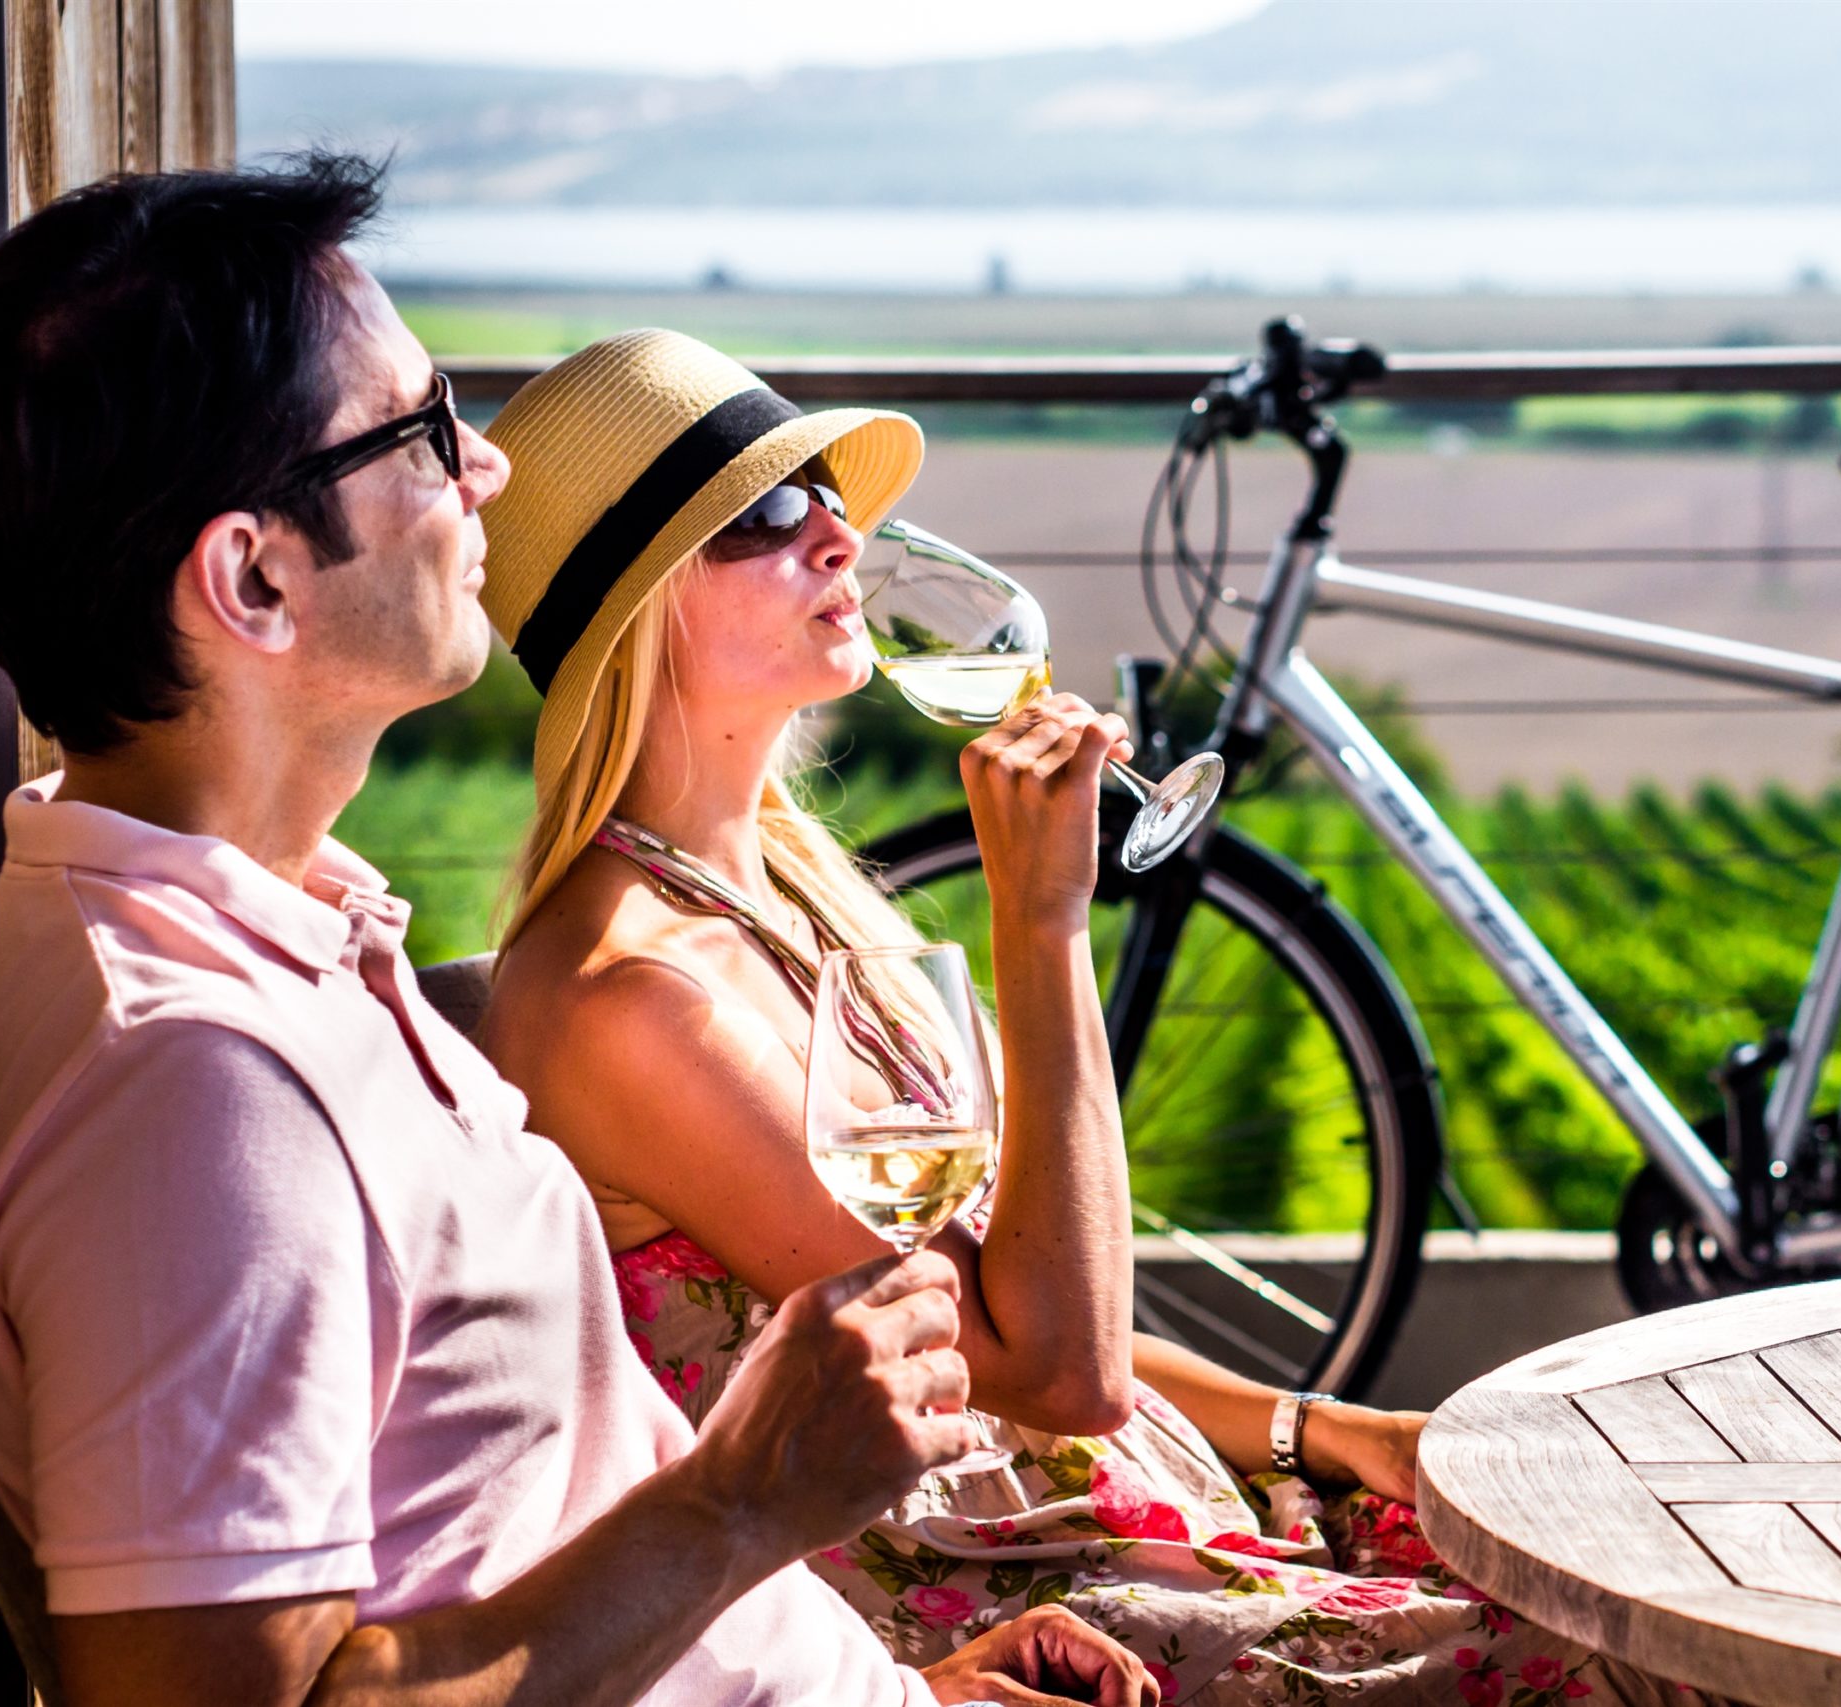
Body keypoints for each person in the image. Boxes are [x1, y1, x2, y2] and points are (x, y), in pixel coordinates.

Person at [0, 155, 1156, 1707]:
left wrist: (916, 1686)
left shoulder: (287, 947)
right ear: (253, 576)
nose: (487, 475)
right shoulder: (194, 1094)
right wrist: (745, 1498)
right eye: (425, 436)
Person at [473, 331, 1716, 1707]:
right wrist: (1045, 923)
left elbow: (1006, 1319)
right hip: (1003, 1594)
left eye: (826, 488)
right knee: (1644, 1662)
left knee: (1661, 1560)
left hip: (1120, 1514)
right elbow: (1052, 1371)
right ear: (638, 606)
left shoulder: (795, 897)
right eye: (767, 515)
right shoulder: (631, 997)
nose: (839, 534)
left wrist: (1317, 1429)